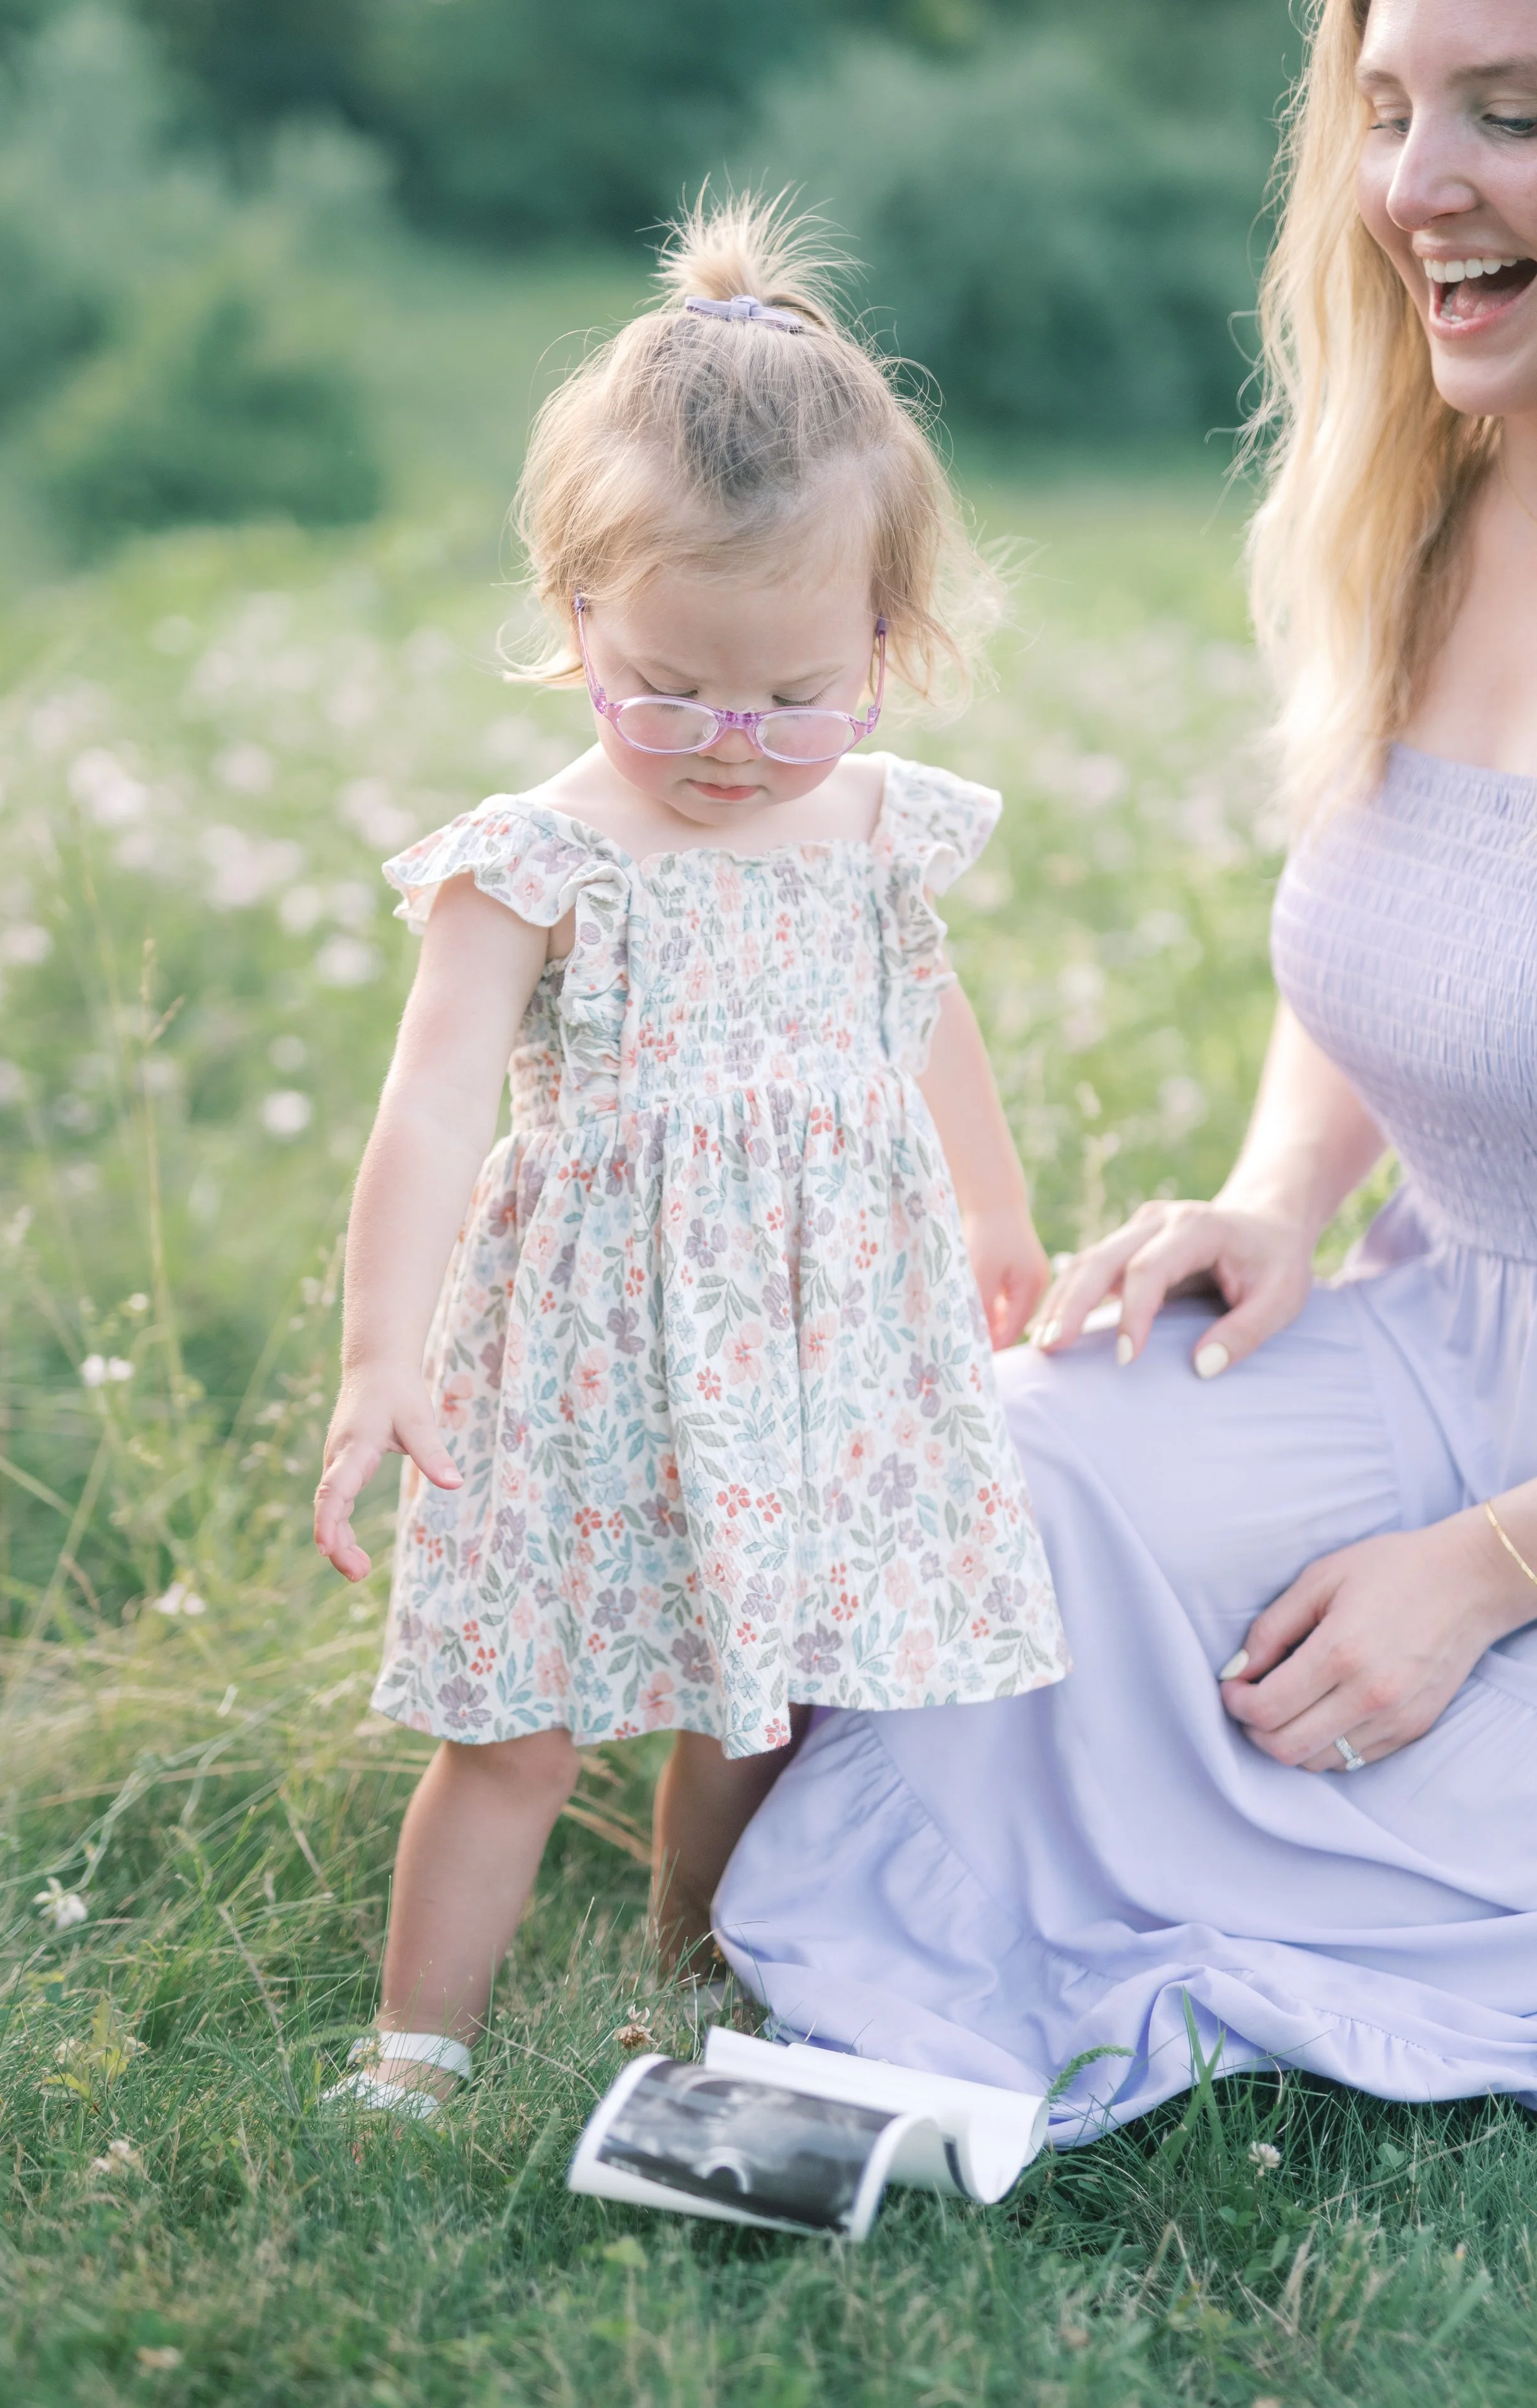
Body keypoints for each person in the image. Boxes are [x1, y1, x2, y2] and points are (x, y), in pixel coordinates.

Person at [716, 0, 1537, 2138]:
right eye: (1381, 115)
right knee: (996, 1459)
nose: (1414, 188)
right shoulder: (1436, 514)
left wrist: (1493, 1568)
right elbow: (1415, 932)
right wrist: (1275, 1197)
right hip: (1446, 1331)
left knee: (1379, 1766)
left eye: (1508, 116)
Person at [312, 198, 1068, 2114]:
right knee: (520, 1721)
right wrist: (379, 1351)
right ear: (573, 615)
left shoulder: (876, 829)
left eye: (794, 697)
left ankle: (704, 1985)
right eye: (667, 684)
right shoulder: (539, 855)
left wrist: (991, 1208)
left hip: (809, 1342)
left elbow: (926, 1016)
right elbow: (428, 1105)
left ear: (882, 643)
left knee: (763, 1689)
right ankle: (418, 2045)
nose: (729, 744)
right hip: (583, 1351)